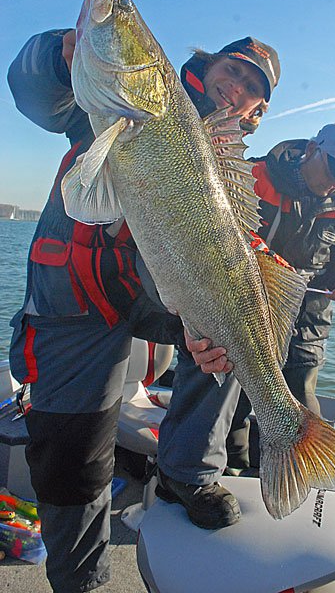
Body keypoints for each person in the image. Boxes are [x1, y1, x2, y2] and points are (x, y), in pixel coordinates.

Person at [7, 30, 280, 592]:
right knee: (72, 452)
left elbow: (234, 247)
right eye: (233, 70)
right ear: (208, 66)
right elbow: (35, 94)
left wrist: (214, 323)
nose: (236, 87)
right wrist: (57, 56)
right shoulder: (120, 105)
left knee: (236, 337)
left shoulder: (231, 160)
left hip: (156, 300)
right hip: (73, 303)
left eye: (252, 87)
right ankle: (80, 580)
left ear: (258, 108)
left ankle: (187, 474)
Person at [190, 122, 335, 475]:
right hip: (248, 311)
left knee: (301, 402)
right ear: (310, 151)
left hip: (308, 322)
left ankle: (292, 477)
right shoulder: (256, 174)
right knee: (236, 402)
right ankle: (237, 472)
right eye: (332, 168)